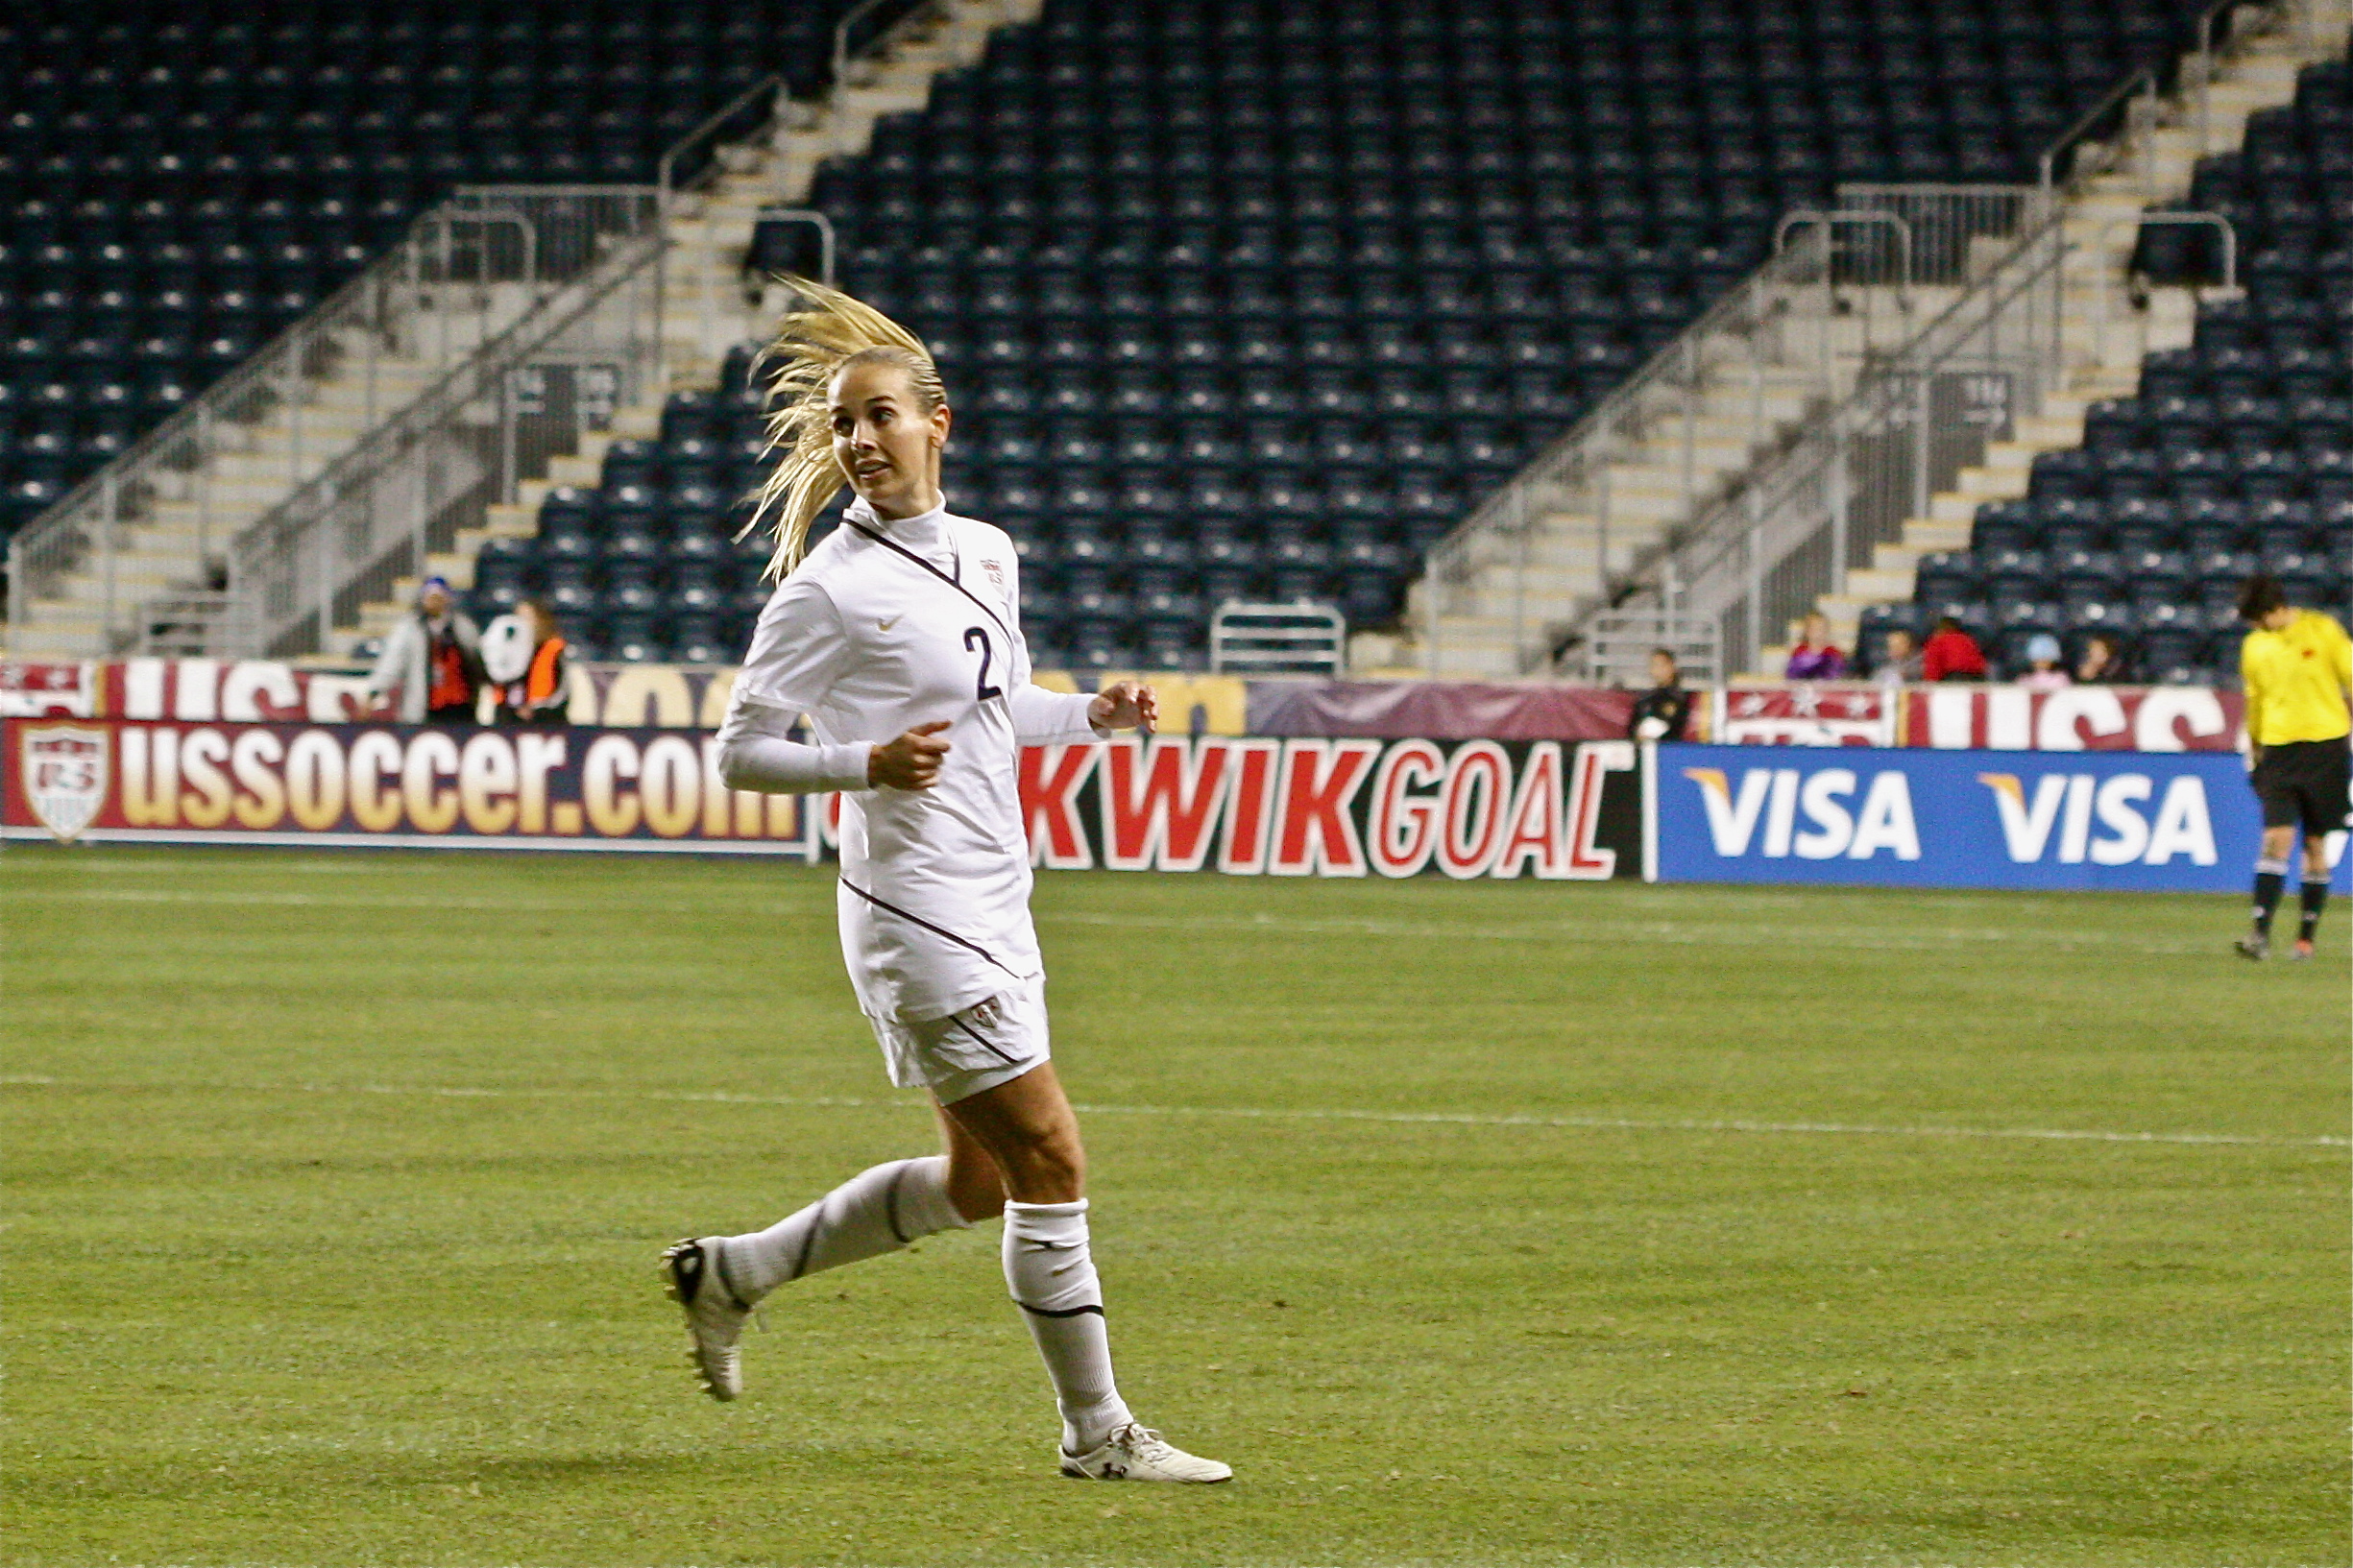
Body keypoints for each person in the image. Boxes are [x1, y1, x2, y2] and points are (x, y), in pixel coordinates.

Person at [660, 279, 1228, 1484]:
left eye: (877, 416)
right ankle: (1098, 1433)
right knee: (1053, 1164)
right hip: (915, 913)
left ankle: (735, 1272)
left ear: (937, 422)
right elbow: (739, 753)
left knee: (980, 1181)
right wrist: (857, 762)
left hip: (993, 892)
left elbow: (985, 709)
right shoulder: (826, 589)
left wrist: (1088, 712)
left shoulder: (984, 551)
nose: (858, 440)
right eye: (840, 425)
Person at [2232, 574, 2351, 961]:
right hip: (2278, 750)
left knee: (2315, 844)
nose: (2254, 626)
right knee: (2276, 838)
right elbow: (2255, 700)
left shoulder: (2322, 630)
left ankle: (2305, 939)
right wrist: (2254, 747)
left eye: (2256, 617)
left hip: (2326, 748)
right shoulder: (2254, 646)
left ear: (2274, 609)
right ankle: (2259, 934)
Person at [366, 576, 483, 724]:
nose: (434, 602)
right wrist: (375, 690)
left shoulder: (462, 627)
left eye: (438, 597)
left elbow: (477, 660)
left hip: (459, 705)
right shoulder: (410, 629)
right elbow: (392, 663)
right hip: (425, 707)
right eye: (430, 597)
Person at [492, 601, 570, 725]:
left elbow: (561, 691)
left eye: (527, 617)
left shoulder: (553, 648)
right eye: (518, 617)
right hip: (510, 720)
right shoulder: (509, 651)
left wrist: (535, 708)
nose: (522, 622)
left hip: (546, 720)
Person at [1627, 647, 1692, 741]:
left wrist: (1652, 735)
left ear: (1672, 667)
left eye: (1662, 665)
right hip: (1644, 748)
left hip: (1668, 749)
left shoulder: (1679, 698)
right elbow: (1632, 726)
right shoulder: (1645, 698)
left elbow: (1673, 725)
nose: (1658, 670)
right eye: (1654, 665)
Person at [1921, 615, 1987, 682]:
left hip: (1953, 679)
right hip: (1976, 678)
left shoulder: (1938, 641)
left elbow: (1933, 669)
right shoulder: (1967, 640)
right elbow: (1979, 663)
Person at [1783, 613, 1847, 680]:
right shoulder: (1799, 652)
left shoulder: (1833, 652)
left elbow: (1836, 674)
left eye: (1821, 629)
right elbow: (1791, 674)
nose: (1818, 633)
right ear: (1807, 631)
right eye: (1814, 629)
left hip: (1827, 687)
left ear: (1827, 631)